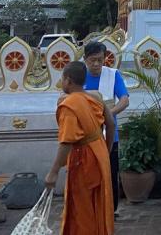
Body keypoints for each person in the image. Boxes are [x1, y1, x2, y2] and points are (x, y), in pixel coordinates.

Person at [45, 61, 115, 235]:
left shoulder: (69, 105)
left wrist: (53, 172)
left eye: (62, 79)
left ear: (68, 80)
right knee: (99, 202)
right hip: (100, 152)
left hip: (84, 158)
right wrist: (106, 149)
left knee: (82, 207)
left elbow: (67, 142)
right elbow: (111, 124)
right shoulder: (95, 98)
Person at [82, 40, 130, 216]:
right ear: (85, 59)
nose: (96, 64)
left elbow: (124, 99)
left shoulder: (113, 75)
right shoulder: (79, 76)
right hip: (85, 136)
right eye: (92, 60)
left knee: (110, 173)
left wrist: (108, 113)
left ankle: (110, 209)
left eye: (100, 60)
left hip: (109, 135)